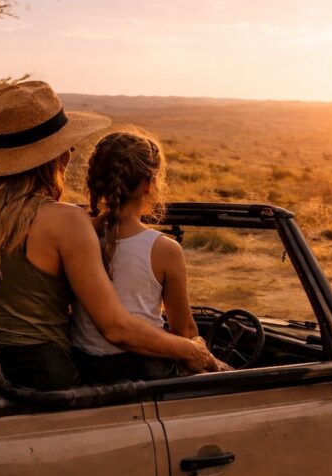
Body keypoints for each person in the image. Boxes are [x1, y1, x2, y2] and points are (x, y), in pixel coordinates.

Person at [0, 81, 213, 390]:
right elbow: (117, 329)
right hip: (46, 379)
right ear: (55, 157)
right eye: (66, 146)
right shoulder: (64, 221)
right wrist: (192, 350)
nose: (70, 152)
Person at [72, 131, 228, 383]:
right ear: (149, 183)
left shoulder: (77, 234)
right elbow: (185, 330)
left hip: (85, 368)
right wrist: (212, 362)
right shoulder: (163, 249)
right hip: (145, 371)